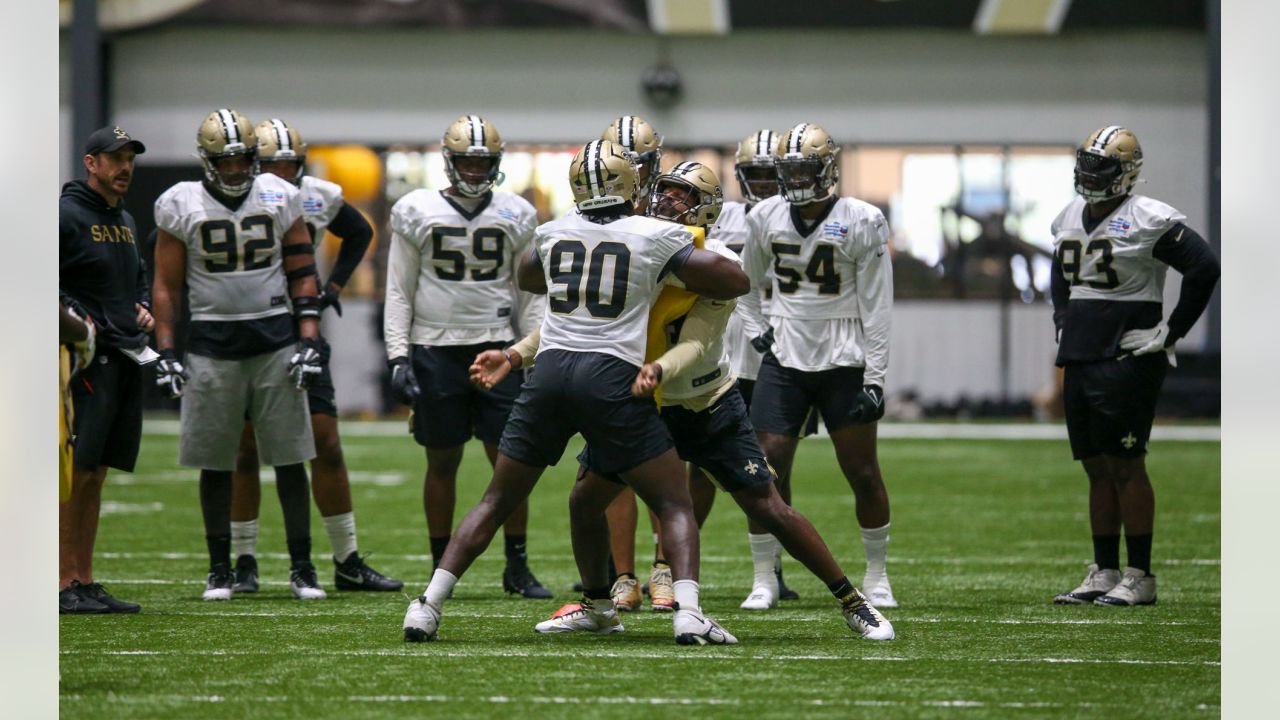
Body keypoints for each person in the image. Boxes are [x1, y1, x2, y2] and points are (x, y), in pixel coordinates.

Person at [475, 161, 894, 640]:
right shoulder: (635, 241)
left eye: (684, 196)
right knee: (584, 500)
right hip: (640, 404)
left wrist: (659, 369)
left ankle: (853, 601)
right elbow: (570, 327)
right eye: (666, 192)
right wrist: (516, 354)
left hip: (704, 400)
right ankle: (596, 604)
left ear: (707, 209)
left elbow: (696, 342)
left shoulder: (711, 261)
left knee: (767, 506)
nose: (669, 202)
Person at [402, 139, 747, 645]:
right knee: (674, 502)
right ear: (632, 185)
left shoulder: (552, 229)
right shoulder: (656, 233)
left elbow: (526, 275)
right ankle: (689, 612)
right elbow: (731, 279)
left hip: (547, 373)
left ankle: (427, 604)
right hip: (610, 377)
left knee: (497, 498)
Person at [152, 109, 326, 601]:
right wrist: (166, 349)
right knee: (216, 460)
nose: (233, 170)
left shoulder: (280, 195)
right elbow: (166, 285)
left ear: (254, 158)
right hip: (211, 341)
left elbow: (301, 270)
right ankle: (219, 569)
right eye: (223, 161)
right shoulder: (178, 203)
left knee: (291, 457)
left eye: (241, 160)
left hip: (274, 339)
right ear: (206, 161)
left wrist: (309, 335)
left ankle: (302, 567)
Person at [226, 118, 401, 594]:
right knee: (245, 447)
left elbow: (359, 233)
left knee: (325, 440)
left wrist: (333, 286)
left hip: (301, 330)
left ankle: (346, 559)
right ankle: (243, 562)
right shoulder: (229, 198)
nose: (283, 174)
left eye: (291, 165)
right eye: (273, 165)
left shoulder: (316, 195)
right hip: (246, 331)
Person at [1050, 126, 1219, 607]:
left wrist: (1171, 331)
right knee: (1096, 469)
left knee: (1126, 465)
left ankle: (1140, 574)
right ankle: (1104, 570)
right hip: (1082, 353)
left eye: (1100, 166)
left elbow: (1205, 267)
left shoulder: (1149, 217)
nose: (1088, 174)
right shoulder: (1067, 215)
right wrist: (1062, 320)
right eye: (1085, 163)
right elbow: (1059, 278)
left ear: (1125, 174)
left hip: (1128, 356)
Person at [383, 115, 550, 598]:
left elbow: (531, 294)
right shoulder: (417, 210)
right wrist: (399, 355)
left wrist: (529, 350)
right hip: (436, 348)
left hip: (497, 345)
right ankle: (442, 566)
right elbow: (399, 289)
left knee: (511, 462)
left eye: (483, 162)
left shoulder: (517, 212)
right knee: (442, 460)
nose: (475, 171)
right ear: (448, 161)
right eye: (467, 161)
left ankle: (516, 566)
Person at [739, 123, 898, 609]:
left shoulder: (861, 218)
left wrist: (876, 376)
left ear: (827, 169)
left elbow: (878, 303)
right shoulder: (766, 216)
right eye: (788, 170)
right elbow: (743, 281)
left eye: (804, 168)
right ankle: (765, 577)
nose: (795, 179)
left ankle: (877, 575)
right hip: (786, 354)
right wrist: (755, 328)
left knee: (862, 470)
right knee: (763, 468)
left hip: (843, 355)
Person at [59, 125, 152, 615]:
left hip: (123, 354)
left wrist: (141, 306)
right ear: (91, 163)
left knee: (95, 473)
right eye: (115, 159)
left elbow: (136, 278)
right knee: (73, 472)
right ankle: (59, 580)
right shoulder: (66, 215)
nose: (125, 168)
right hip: (83, 361)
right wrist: (77, 320)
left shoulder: (126, 220)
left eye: (130, 159)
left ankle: (85, 577)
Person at [716, 128, 804, 604]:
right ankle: (668, 564)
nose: (766, 185)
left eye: (773, 176)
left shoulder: (798, 218)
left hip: (775, 357)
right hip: (722, 352)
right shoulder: (721, 216)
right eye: (756, 176)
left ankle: (772, 568)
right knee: (696, 467)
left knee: (776, 465)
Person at [596, 115, 674, 610]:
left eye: (641, 164)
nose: (636, 174)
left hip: (666, 346)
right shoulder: (592, 209)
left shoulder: (675, 201)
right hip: (611, 346)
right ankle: (623, 577)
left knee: (672, 464)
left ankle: (664, 567)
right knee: (614, 466)